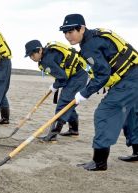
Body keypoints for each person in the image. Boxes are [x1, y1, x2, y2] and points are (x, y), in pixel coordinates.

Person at [60, 14, 138, 171]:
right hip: (133, 75)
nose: (68, 36)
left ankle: (99, 161)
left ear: (81, 28)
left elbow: (103, 75)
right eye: (65, 32)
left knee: (105, 113)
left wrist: (84, 93)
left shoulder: (89, 45)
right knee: (130, 114)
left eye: (71, 31)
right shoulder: (95, 37)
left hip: (130, 79)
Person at [24, 40, 88, 142]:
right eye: (29, 56)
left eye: (33, 54)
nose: (32, 58)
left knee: (63, 103)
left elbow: (62, 78)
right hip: (75, 74)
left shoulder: (47, 60)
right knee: (68, 102)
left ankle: (53, 135)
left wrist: (54, 86)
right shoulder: (48, 54)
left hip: (78, 76)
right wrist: (55, 85)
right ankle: (74, 130)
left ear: (40, 50)